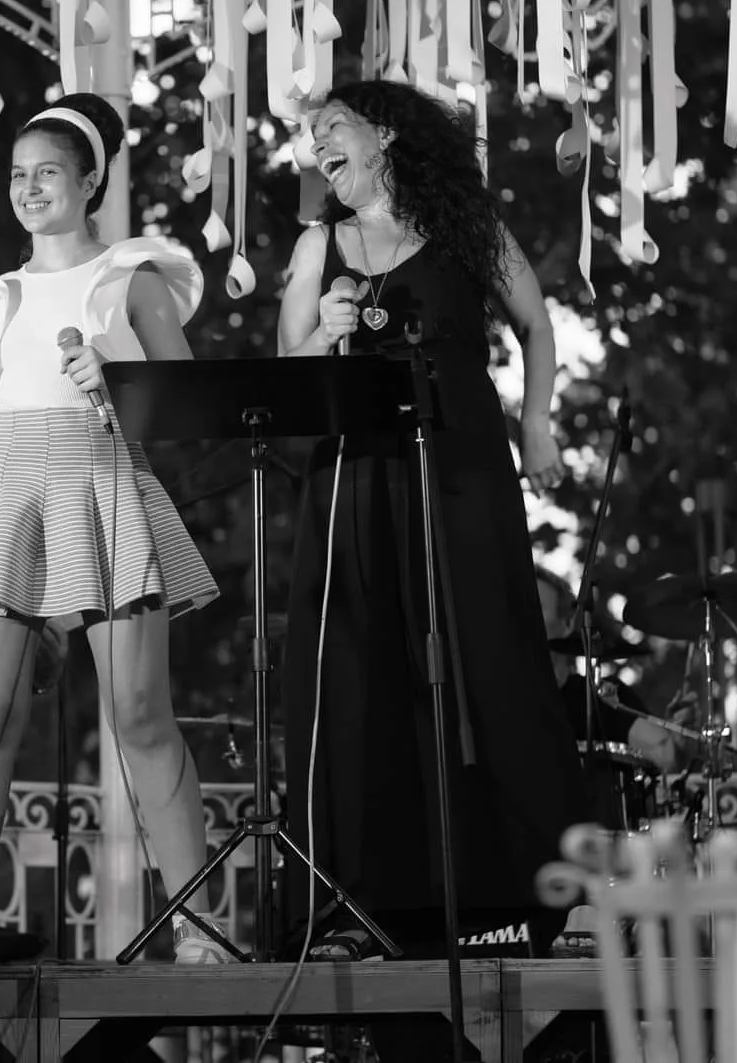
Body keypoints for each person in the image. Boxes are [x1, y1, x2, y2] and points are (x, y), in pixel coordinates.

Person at [277, 80, 589, 981]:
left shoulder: (469, 227)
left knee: (490, 653)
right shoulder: (318, 246)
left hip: (460, 466)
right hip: (354, 475)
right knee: (357, 671)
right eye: (312, 136)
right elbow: (288, 372)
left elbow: (535, 326)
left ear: (386, 135)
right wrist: (324, 332)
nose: (317, 147)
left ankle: (545, 893)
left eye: (332, 128)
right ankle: (351, 905)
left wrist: (538, 426)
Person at [0, 94, 228, 969]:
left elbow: (192, 407)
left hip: (102, 482)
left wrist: (116, 376)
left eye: (47, 172)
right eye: (17, 176)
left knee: (140, 714)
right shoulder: (0, 294)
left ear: (90, 181)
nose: (28, 189)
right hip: (6, 495)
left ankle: (196, 924)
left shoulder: (131, 277)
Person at [535, 567, 680, 773]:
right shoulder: (499, 702)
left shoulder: (602, 698)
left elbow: (663, 752)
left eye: (536, 607)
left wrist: (679, 739)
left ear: (567, 623)